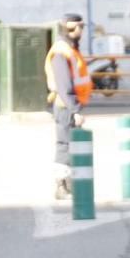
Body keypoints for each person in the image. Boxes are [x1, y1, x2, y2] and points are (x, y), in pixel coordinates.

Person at [45, 13, 91, 199]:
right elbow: (64, 85)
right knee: (64, 144)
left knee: (69, 144)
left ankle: (68, 184)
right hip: (66, 106)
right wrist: (75, 110)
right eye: (80, 27)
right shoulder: (61, 51)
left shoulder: (69, 48)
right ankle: (61, 186)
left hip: (68, 105)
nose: (82, 31)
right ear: (72, 28)